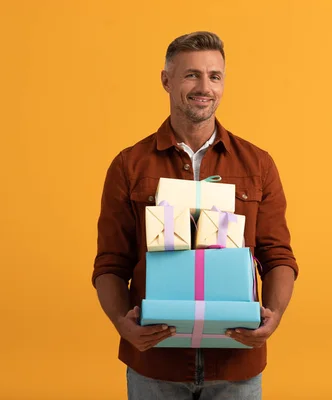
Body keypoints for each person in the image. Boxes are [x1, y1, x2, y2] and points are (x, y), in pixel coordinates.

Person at [92, 31, 299, 400]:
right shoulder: (129, 165)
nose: (204, 87)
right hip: (155, 364)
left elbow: (278, 255)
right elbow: (110, 263)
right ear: (166, 80)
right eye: (191, 75)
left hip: (237, 363)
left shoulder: (258, 164)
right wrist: (124, 325)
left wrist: (275, 315)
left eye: (214, 76)